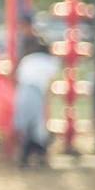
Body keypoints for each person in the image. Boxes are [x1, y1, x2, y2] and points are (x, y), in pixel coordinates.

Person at [13, 36, 61, 168]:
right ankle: (39, 157)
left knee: (25, 126)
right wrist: (47, 105)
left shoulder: (27, 60)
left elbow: (18, 79)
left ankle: (24, 158)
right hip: (36, 93)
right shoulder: (50, 61)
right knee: (38, 127)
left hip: (22, 92)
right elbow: (49, 86)